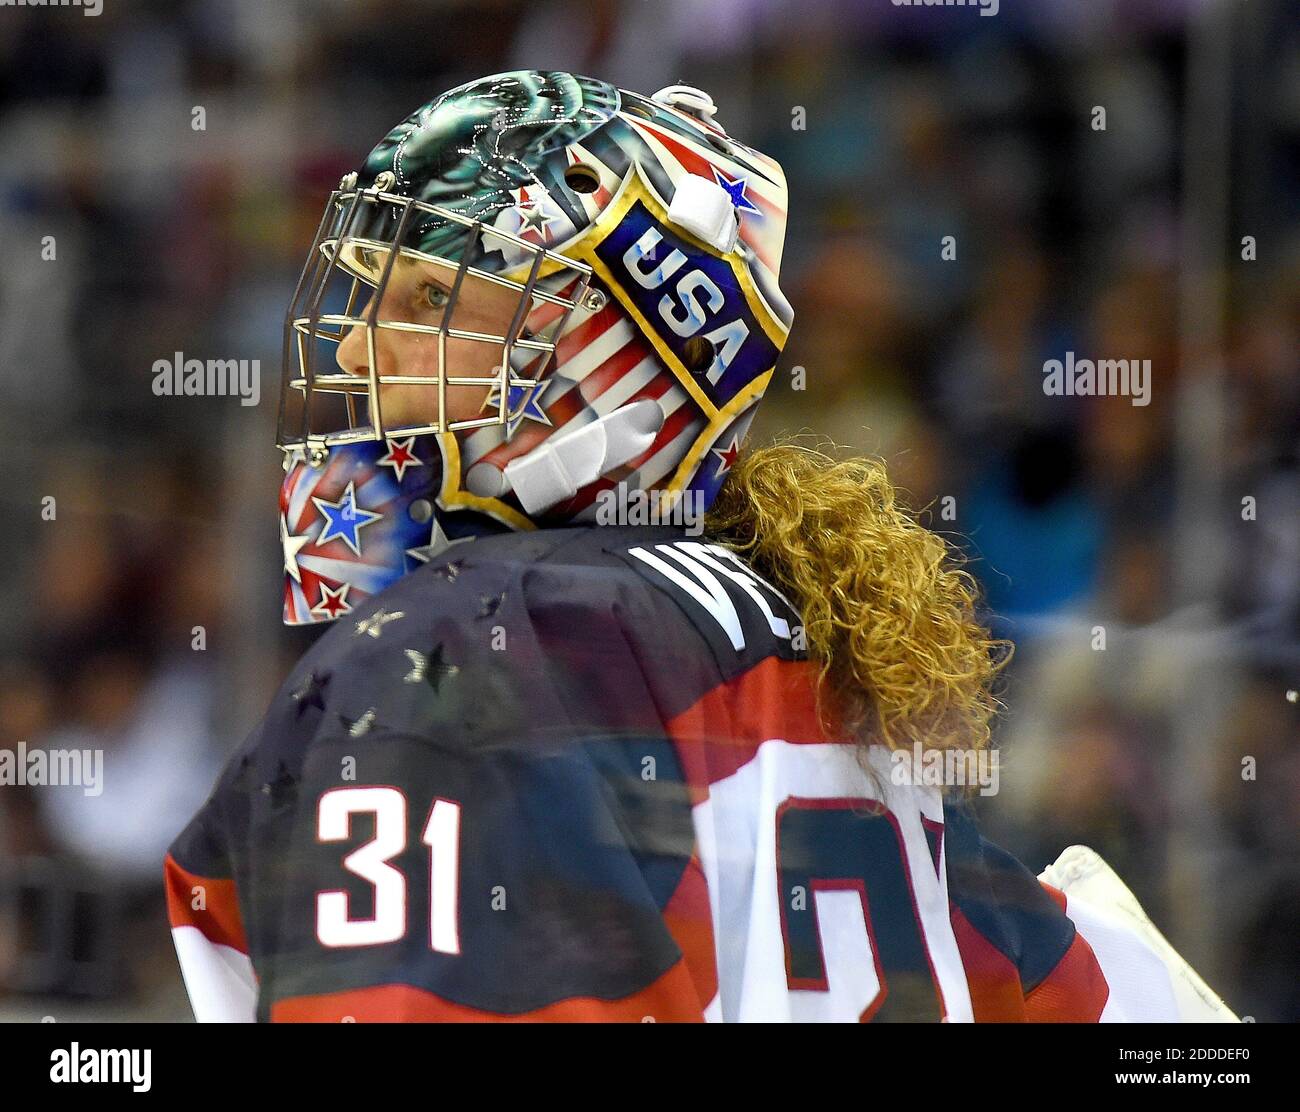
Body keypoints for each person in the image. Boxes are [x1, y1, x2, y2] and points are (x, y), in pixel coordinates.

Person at [165, 69, 1235, 1022]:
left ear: (597, 363)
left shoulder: (453, 652)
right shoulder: (807, 641)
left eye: (431, 299)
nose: (354, 341)